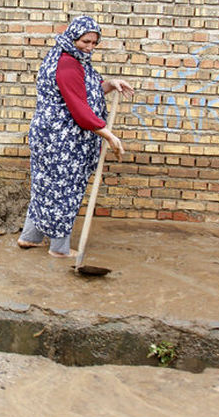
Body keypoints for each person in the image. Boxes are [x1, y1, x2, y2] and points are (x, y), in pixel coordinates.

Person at [17, 16, 134, 258]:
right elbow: (79, 108)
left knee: (45, 186)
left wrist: (110, 84)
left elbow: (85, 89)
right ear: (73, 37)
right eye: (85, 41)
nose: (90, 47)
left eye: (94, 43)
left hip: (51, 136)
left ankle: (30, 237)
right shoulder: (67, 64)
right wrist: (107, 134)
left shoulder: (69, 57)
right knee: (64, 189)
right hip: (61, 140)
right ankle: (59, 248)